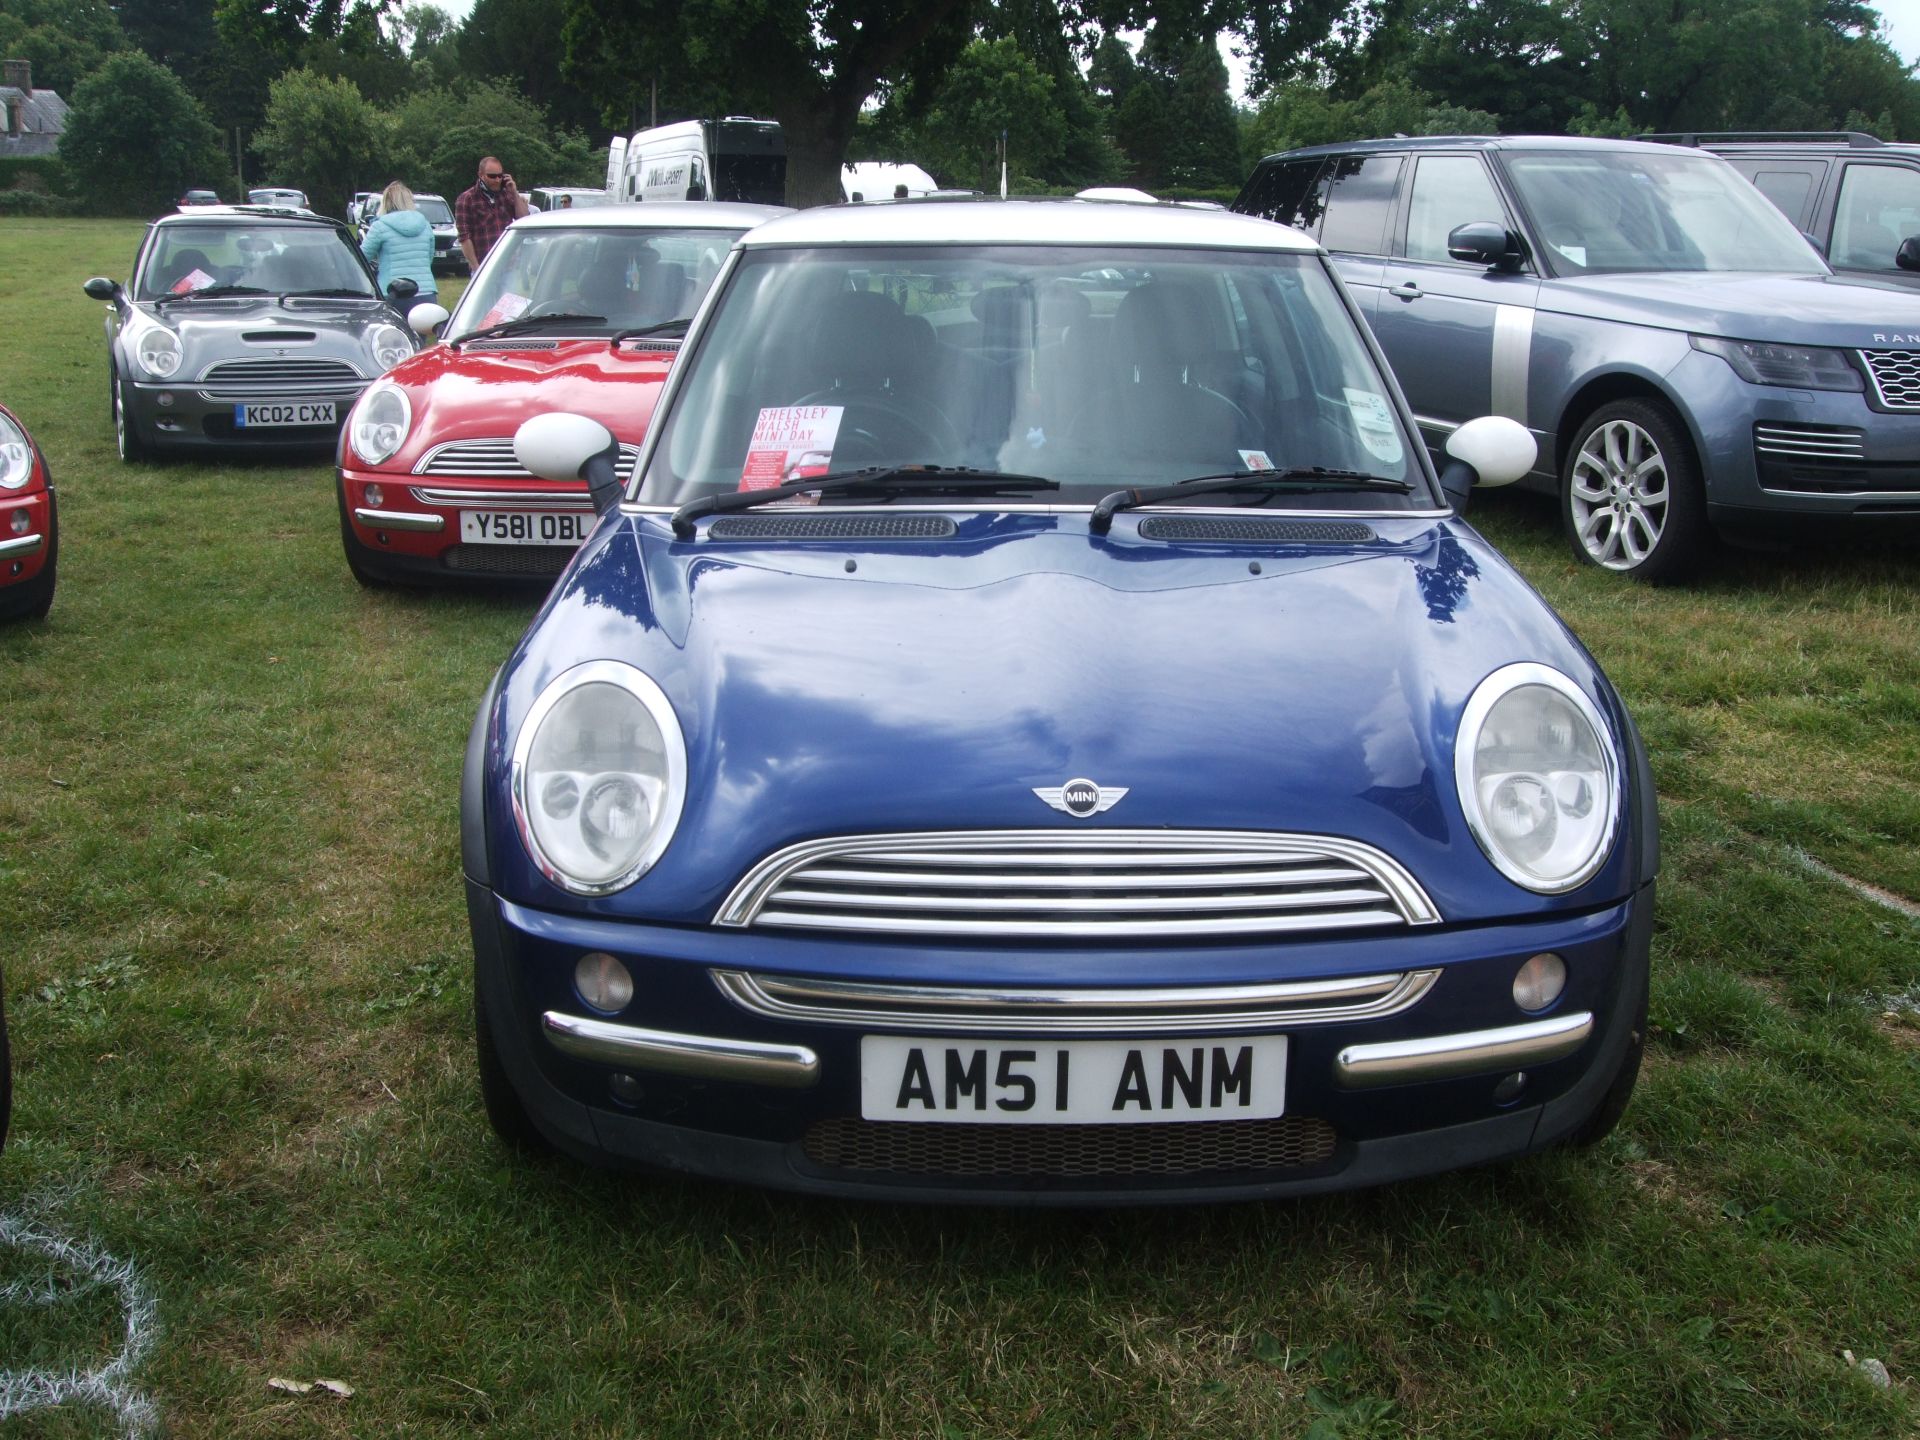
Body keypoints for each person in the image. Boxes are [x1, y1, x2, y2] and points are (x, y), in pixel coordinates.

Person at [359, 181, 437, 303]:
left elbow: (361, 259)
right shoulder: (425, 225)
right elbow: (429, 258)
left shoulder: (380, 226)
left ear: (385, 202)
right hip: (426, 291)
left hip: (393, 293)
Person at [455, 155, 528, 272]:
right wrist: (476, 268)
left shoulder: (507, 194)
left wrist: (514, 192)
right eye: (492, 176)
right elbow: (464, 237)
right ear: (481, 174)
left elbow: (524, 220)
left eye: (500, 176)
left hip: (509, 264)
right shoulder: (467, 199)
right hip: (483, 264)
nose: (497, 180)